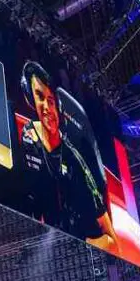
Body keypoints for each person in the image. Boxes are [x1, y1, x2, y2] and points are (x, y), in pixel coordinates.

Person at [19, 61, 118, 254]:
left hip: (81, 245)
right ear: (31, 99)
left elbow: (112, 240)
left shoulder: (76, 164)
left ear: (59, 106)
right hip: (54, 246)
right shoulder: (28, 135)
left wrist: (84, 244)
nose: (47, 107)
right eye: (40, 97)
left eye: (51, 100)